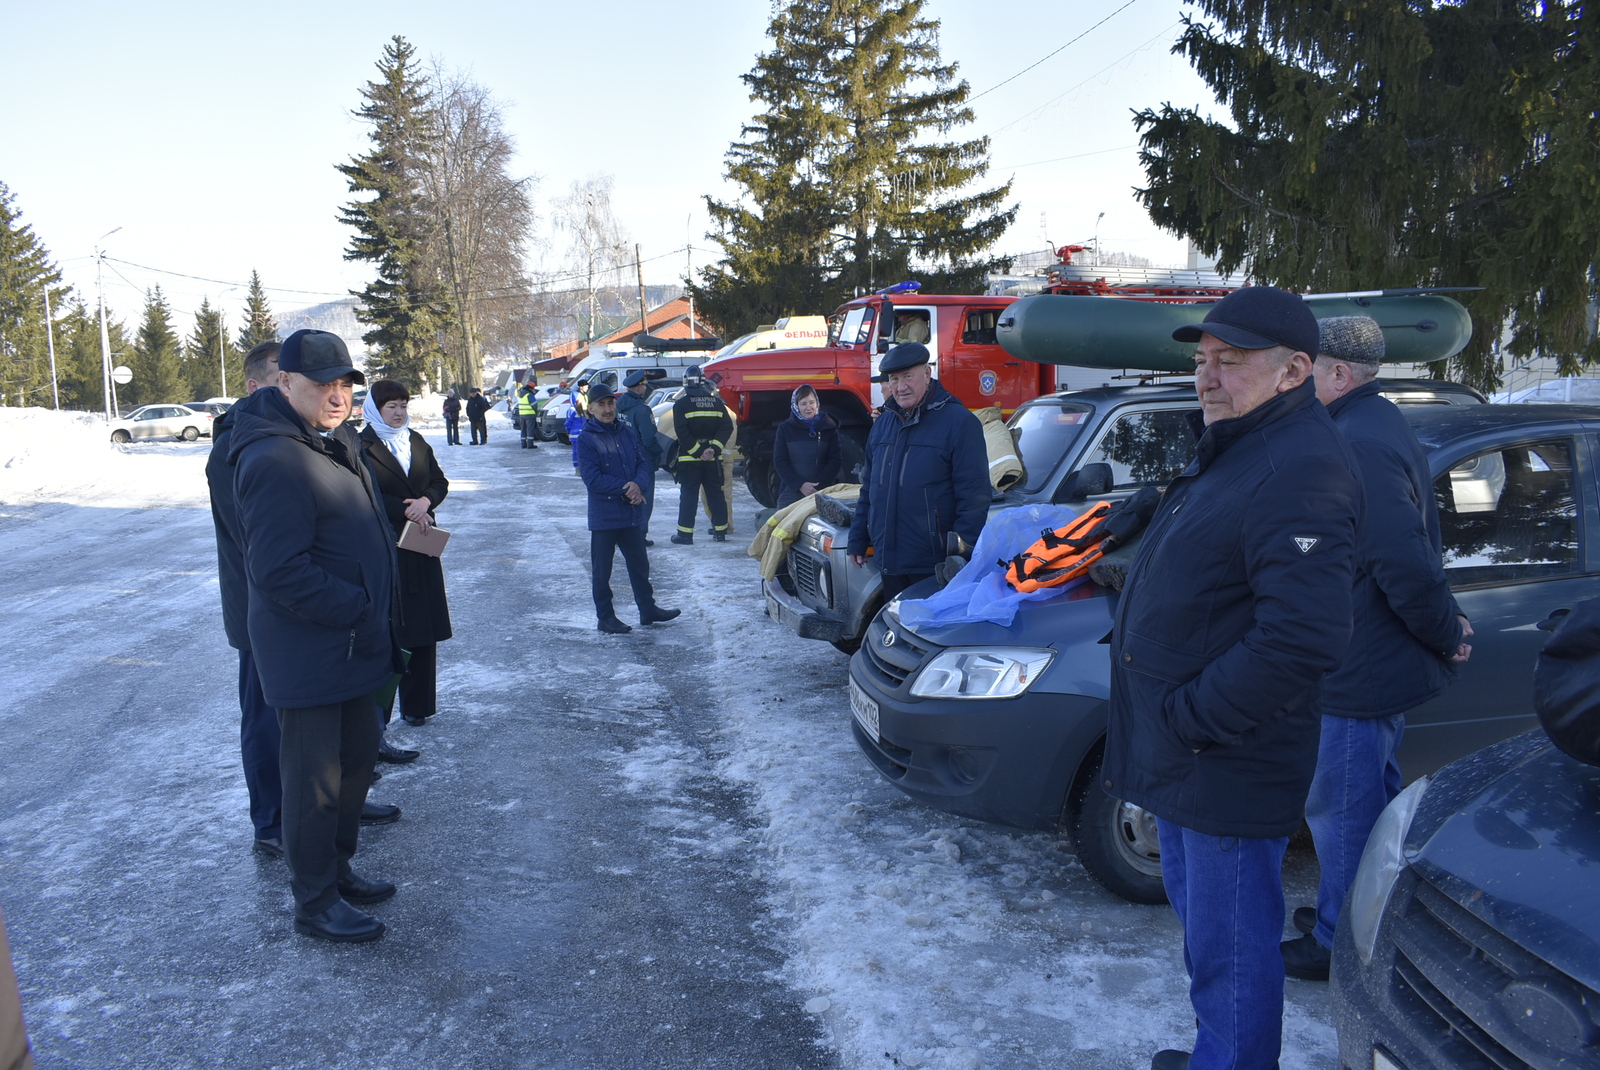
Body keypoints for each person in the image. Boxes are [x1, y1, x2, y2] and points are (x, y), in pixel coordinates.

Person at [1103, 287, 1362, 1070]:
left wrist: (1189, 719)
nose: (1208, 377)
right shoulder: (1240, 446)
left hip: (1222, 754)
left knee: (1234, 944)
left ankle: (1235, 1060)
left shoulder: (1301, 469)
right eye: (1203, 360)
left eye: (1232, 362)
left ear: (1295, 372)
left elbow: (1302, 638)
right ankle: (1220, 1050)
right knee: (1207, 933)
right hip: (1190, 755)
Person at [1280, 316, 1472, 981]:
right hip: (1363, 660)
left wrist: (1445, 632)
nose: (1295, 382)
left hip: (1360, 670)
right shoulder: (1371, 423)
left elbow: (1400, 557)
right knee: (1365, 806)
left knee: (1343, 812)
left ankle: (1341, 942)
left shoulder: (1358, 441)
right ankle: (1353, 911)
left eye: (1306, 369)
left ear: (1338, 374)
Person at [229, 328, 403, 943]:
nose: (336, 396)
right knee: (315, 785)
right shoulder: (273, 457)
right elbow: (276, 569)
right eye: (321, 384)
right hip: (311, 651)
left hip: (352, 644)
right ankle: (315, 901)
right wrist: (356, 606)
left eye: (344, 384)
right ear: (284, 383)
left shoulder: (328, 443)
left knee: (355, 768)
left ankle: (339, 868)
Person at [205, 341, 287, 858]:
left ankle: (333, 799)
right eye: (284, 378)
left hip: (292, 604)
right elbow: (261, 540)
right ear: (257, 387)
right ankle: (272, 822)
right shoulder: (233, 450)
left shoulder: (289, 435)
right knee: (264, 717)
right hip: (261, 610)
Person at [846, 343, 988, 600]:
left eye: (908, 376)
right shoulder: (883, 424)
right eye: (894, 379)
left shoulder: (959, 423)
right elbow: (869, 487)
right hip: (888, 559)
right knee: (895, 632)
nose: (900, 387)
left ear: (927, 373)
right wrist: (858, 536)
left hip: (933, 565)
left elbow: (974, 496)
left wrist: (960, 554)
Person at [358, 380, 454, 744]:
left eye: (402, 405)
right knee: (391, 633)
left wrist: (426, 502)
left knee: (424, 626)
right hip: (386, 548)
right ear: (374, 409)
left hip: (421, 544)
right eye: (391, 407)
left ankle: (417, 706)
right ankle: (377, 713)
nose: (398, 413)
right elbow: (363, 492)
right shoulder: (361, 445)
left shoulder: (415, 441)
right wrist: (408, 510)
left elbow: (439, 481)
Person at [576, 378, 680, 633]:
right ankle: (606, 618)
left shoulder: (626, 432)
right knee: (603, 572)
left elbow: (642, 464)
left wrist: (638, 484)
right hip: (605, 517)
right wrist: (628, 488)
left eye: (611, 403)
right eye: (601, 405)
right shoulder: (587, 439)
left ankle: (648, 609)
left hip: (631, 513)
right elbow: (592, 479)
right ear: (591, 409)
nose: (607, 409)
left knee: (639, 565)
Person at [670, 365, 732, 544]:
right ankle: (720, 531)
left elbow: (682, 432)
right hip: (713, 459)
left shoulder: (681, 404)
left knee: (689, 496)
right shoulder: (717, 403)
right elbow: (726, 427)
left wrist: (698, 451)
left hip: (690, 459)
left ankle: (685, 535)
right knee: (715, 494)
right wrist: (713, 448)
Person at [772, 384, 842, 508]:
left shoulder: (829, 428)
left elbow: (835, 461)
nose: (808, 407)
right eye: (803, 403)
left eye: (812, 402)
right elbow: (780, 461)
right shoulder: (785, 429)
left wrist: (818, 486)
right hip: (791, 491)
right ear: (796, 406)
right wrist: (800, 485)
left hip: (822, 491)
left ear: (817, 404)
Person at [616, 370, 663, 545]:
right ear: (639, 387)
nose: (645, 387)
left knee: (624, 496)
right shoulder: (642, 410)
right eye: (644, 385)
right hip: (642, 461)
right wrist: (659, 452)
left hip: (621, 459)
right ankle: (639, 535)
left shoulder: (619, 405)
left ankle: (623, 533)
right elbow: (649, 438)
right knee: (644, 498)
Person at [516, 379, 540, 449]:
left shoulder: (520, 394)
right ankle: (530, 444)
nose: (533, 390)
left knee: (523, 429)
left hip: (522, 414)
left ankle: (523, 444)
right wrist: (536, 412)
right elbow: (534, 405)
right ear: (530, 388)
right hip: (530, 414)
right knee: (530, 429)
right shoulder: (529, 395)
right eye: (533, 389)